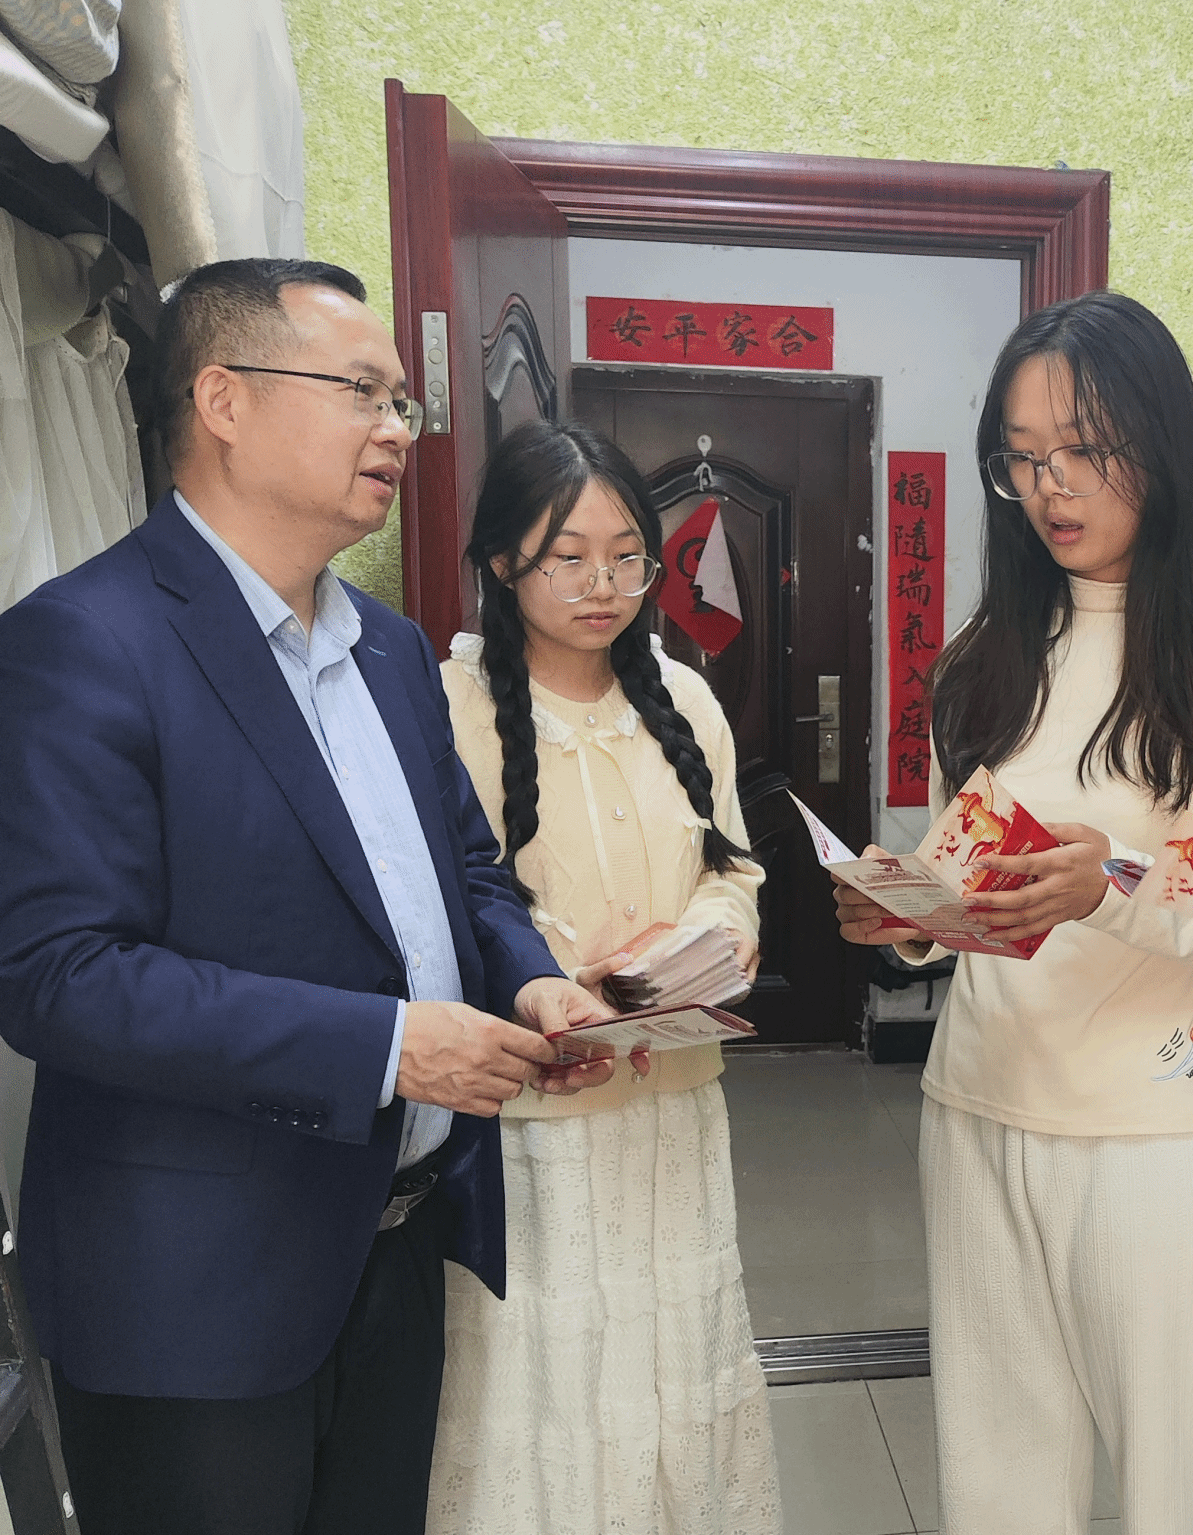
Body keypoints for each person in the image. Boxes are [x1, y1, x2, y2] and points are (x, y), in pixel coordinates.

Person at [0, 257, 611, 1535]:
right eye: (362, 392)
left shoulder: (387, 646)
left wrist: (532, 979)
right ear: (223, 399)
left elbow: (467, 870)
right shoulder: (85, 639)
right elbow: (59, 974)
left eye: (401, 401)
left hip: (390, 1246)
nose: (397, 427)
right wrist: (386, 1047)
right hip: (190, 1291)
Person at [833, 290, 1193, 1535]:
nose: (1048, 487)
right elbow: (963, 863)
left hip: (1151, 1126)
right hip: (978, 1097)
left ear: (1161, 444)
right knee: (997, 1473)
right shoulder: (986, 653)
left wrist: (1111, 882)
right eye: (1020, 457)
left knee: (1178, 1487)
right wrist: (907, 915)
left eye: (1083, 450)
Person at [427, 418, 779, 1533]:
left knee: (675, 1377)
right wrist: (561, 977)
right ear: (502, 561)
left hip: (675, 1105)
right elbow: (445, 907)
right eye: (567, 557)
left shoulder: (684, 699)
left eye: (628, 557)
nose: (603, 587)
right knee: (551, 1388)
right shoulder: (449, 706)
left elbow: (732, 866)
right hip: (536, 1124)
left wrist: (714, 936)